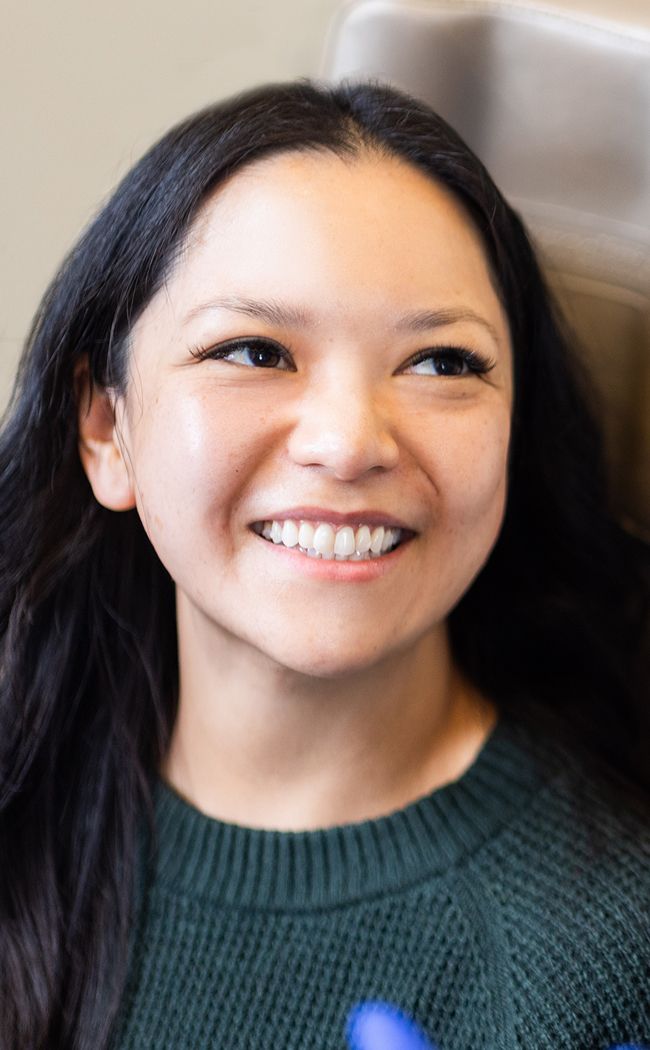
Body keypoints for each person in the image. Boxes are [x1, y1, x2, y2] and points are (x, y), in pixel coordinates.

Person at [0, 79, 648, 1050]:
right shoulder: (25, 802)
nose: (349, 445)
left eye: (441, 364)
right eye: (255, 350)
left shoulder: (610, 948)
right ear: (106, 429)